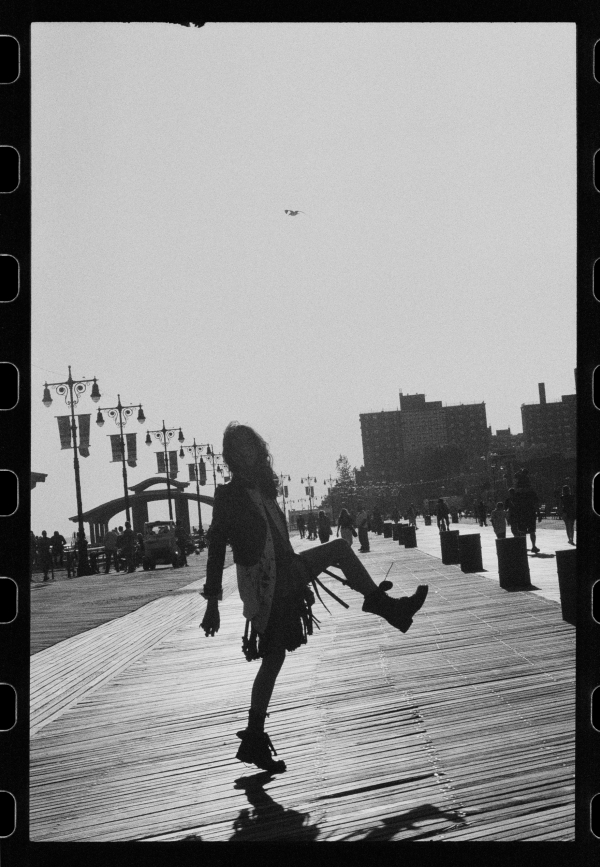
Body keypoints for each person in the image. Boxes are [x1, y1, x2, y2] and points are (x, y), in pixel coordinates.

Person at [200, 422, 429, 773]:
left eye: (250, 446)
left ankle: (386, 606)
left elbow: (277, 537)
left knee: (338, 549)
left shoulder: (264, 488)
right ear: (231, 456)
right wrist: (212, 602)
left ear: (257, 450)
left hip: (288, 570)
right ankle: (254, 738)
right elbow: (216, 548)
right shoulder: (228, 496)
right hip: (265, 584)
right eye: (238, 448)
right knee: (273, 659)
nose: (246, 453)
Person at [512, 469, 541, 553]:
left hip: (521, 514)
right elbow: (536, 504)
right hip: (531, 513)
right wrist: (538, 513)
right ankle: (533, 546)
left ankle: (523, 546)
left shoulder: (518, 494)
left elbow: (515, 505)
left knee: (522, 531)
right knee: (532, 531)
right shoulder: (531, 493)